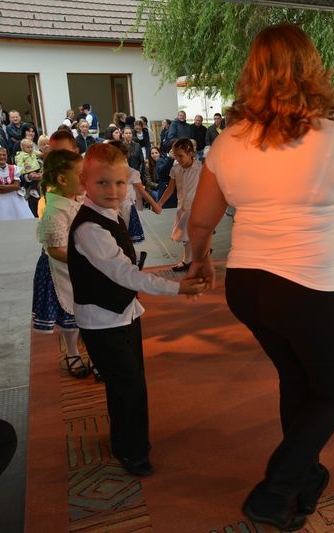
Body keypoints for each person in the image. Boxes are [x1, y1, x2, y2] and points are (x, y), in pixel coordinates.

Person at [186, 24, 334, 531]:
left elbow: (200, 221)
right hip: (310, 288)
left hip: (248, 286)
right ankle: (276, 488)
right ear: (312, 69)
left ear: (253, 73)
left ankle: (304, 483)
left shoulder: (228, 141)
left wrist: (200, 259)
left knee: (298, 379)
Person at [67, 143, 206, 477]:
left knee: (126, 383)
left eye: (119, 183)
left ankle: (124, 440)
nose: (113, 190)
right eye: (102, 183)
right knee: (128, 387)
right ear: (84, 181)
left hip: (123, 313)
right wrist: (177, 287)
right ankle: (132, 450)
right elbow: (125, 274)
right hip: (102, 321)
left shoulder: (108, 213)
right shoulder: (89, 228)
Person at [32, 150, 89, 377]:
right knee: (70, 314)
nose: (86, 179)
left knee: (87, 311)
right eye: (81, 175)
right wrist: (84, 260)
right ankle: (72, 352)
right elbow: (55, 249)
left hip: (82, 266)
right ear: (62, 179)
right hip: (62, 269)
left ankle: (93, 352)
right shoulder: (53, 211)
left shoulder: (77, 199)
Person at [157, 138, 200, 271]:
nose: (178, 159)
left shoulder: (200, 168)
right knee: (185, 235)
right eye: (176, 156)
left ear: (190, 153)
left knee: (191, 234)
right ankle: (190, 259)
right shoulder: (175, 168)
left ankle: (191, 259)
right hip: (182, 206)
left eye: (181, 156)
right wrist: (160, 203)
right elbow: (170, 188)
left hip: (196, 207)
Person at [0, 147, 34, 222]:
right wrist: (11, 187)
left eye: (4, 155)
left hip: (15, 200)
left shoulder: (14, 168)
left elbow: (16, 186)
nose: (2, 157)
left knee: (20, 220)